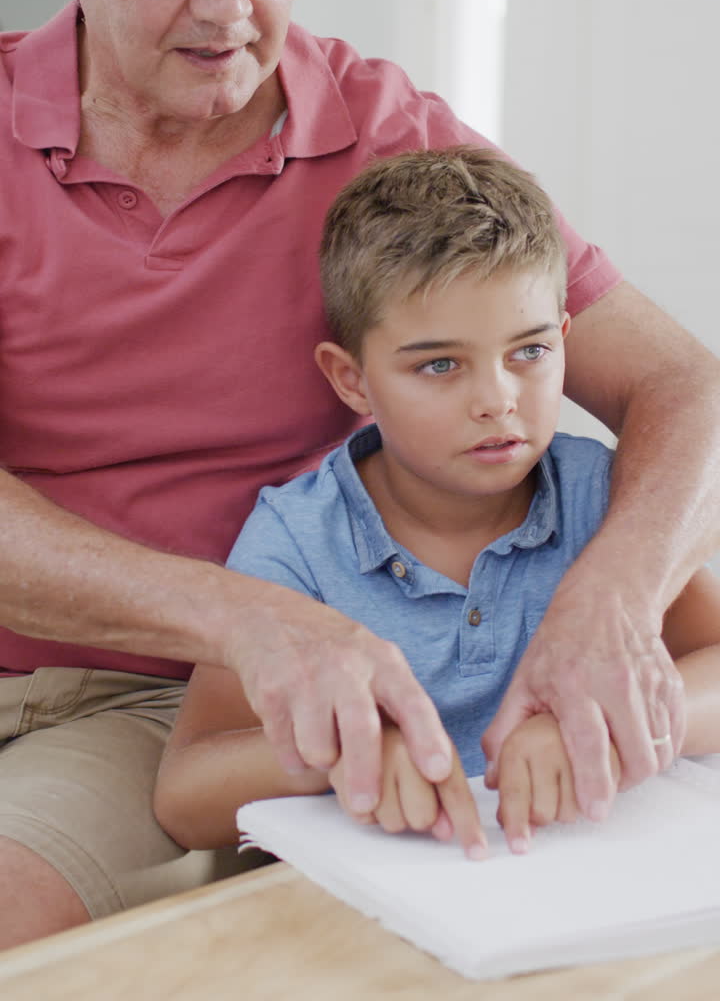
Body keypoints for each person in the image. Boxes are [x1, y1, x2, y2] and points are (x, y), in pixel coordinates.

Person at [1, 0, 718, 947]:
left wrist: (614, 597)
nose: (228, 3)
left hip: (152, 699)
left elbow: (682, 382)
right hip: (239, 640)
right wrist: (241, 612)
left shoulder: (395, 143)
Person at [154, 148, 720, 857]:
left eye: (530, 352)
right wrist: (345, 756)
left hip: (579, 883)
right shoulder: (297, 541)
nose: (497, 400)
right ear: (353, 380)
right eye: (441, 365)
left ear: (565, 340)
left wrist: (599, 724)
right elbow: (184, 794)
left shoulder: (602, 496)